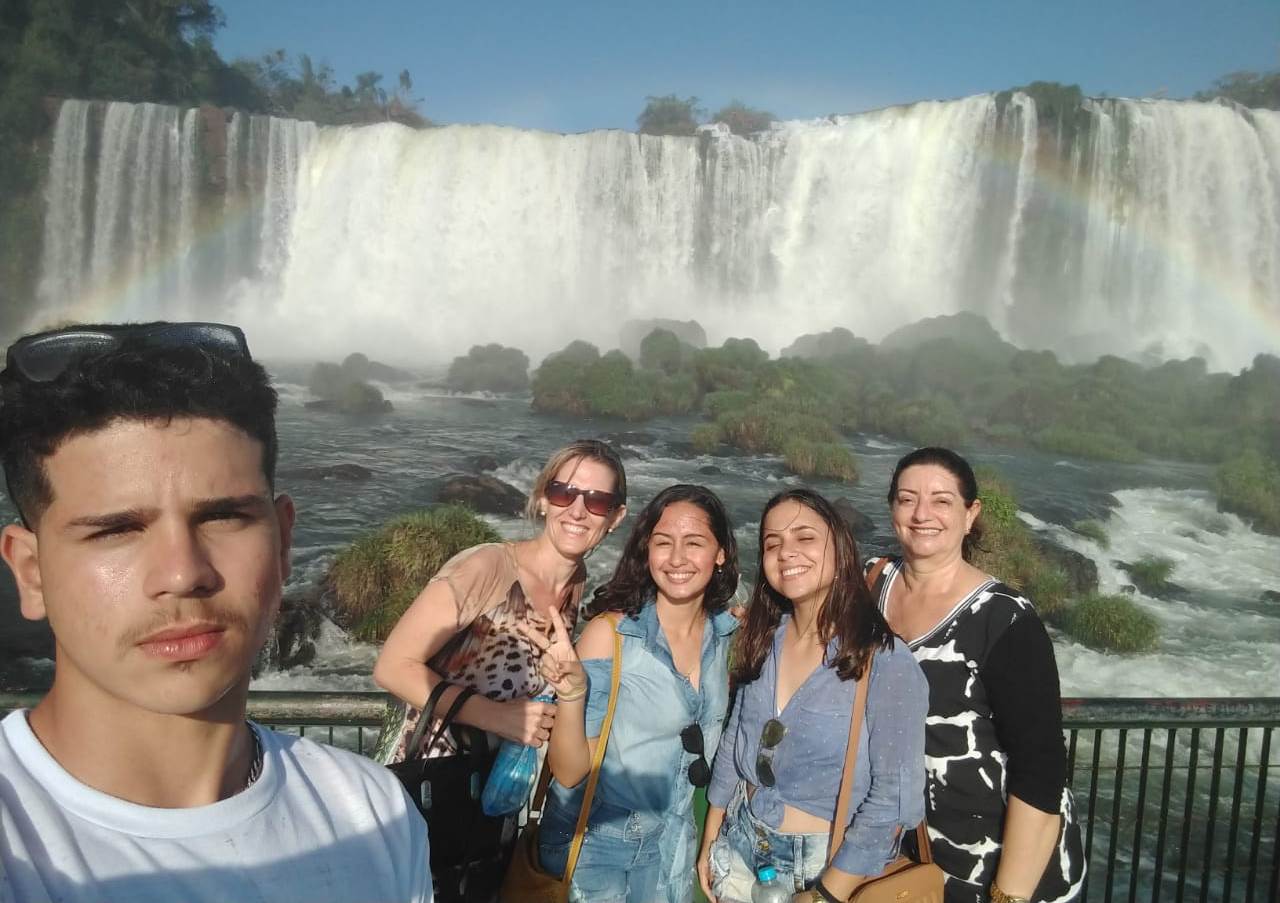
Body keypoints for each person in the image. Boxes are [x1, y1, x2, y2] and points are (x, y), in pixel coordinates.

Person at [0, 322, 431, 903]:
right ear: (31, 572)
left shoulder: (373, 814)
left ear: (283, 543)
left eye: (223, 517)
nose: (183, 573)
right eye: (115, 530)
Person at [869, 447, 1086, 903]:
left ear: (971, 515)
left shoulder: (1004, 619)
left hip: (995, 870)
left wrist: (1008, 895)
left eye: (942, 501)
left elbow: (1041, 770)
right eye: (907, 499)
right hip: (906, 857)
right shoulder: (871, 583)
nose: (922, 514)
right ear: (892, 509)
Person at [699, 488, 928, 903]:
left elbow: (894, 800)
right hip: (740, 844)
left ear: (840, 550)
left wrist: (825, 894)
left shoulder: (884, 661)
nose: (787, 552)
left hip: (825, 866)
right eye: (773, 543)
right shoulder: (765, 638)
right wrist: (712, 833)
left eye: (805, 537)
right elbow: (737, 737)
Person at [522, 484, 741, 903]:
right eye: (663, 542)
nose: (676, 558)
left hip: (675, 843)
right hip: (598, 846)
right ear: (647, 550)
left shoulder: (726, 635)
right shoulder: (611, 636)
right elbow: (569, 772)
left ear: (720, 554)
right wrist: (572, 694)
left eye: (694, 543)